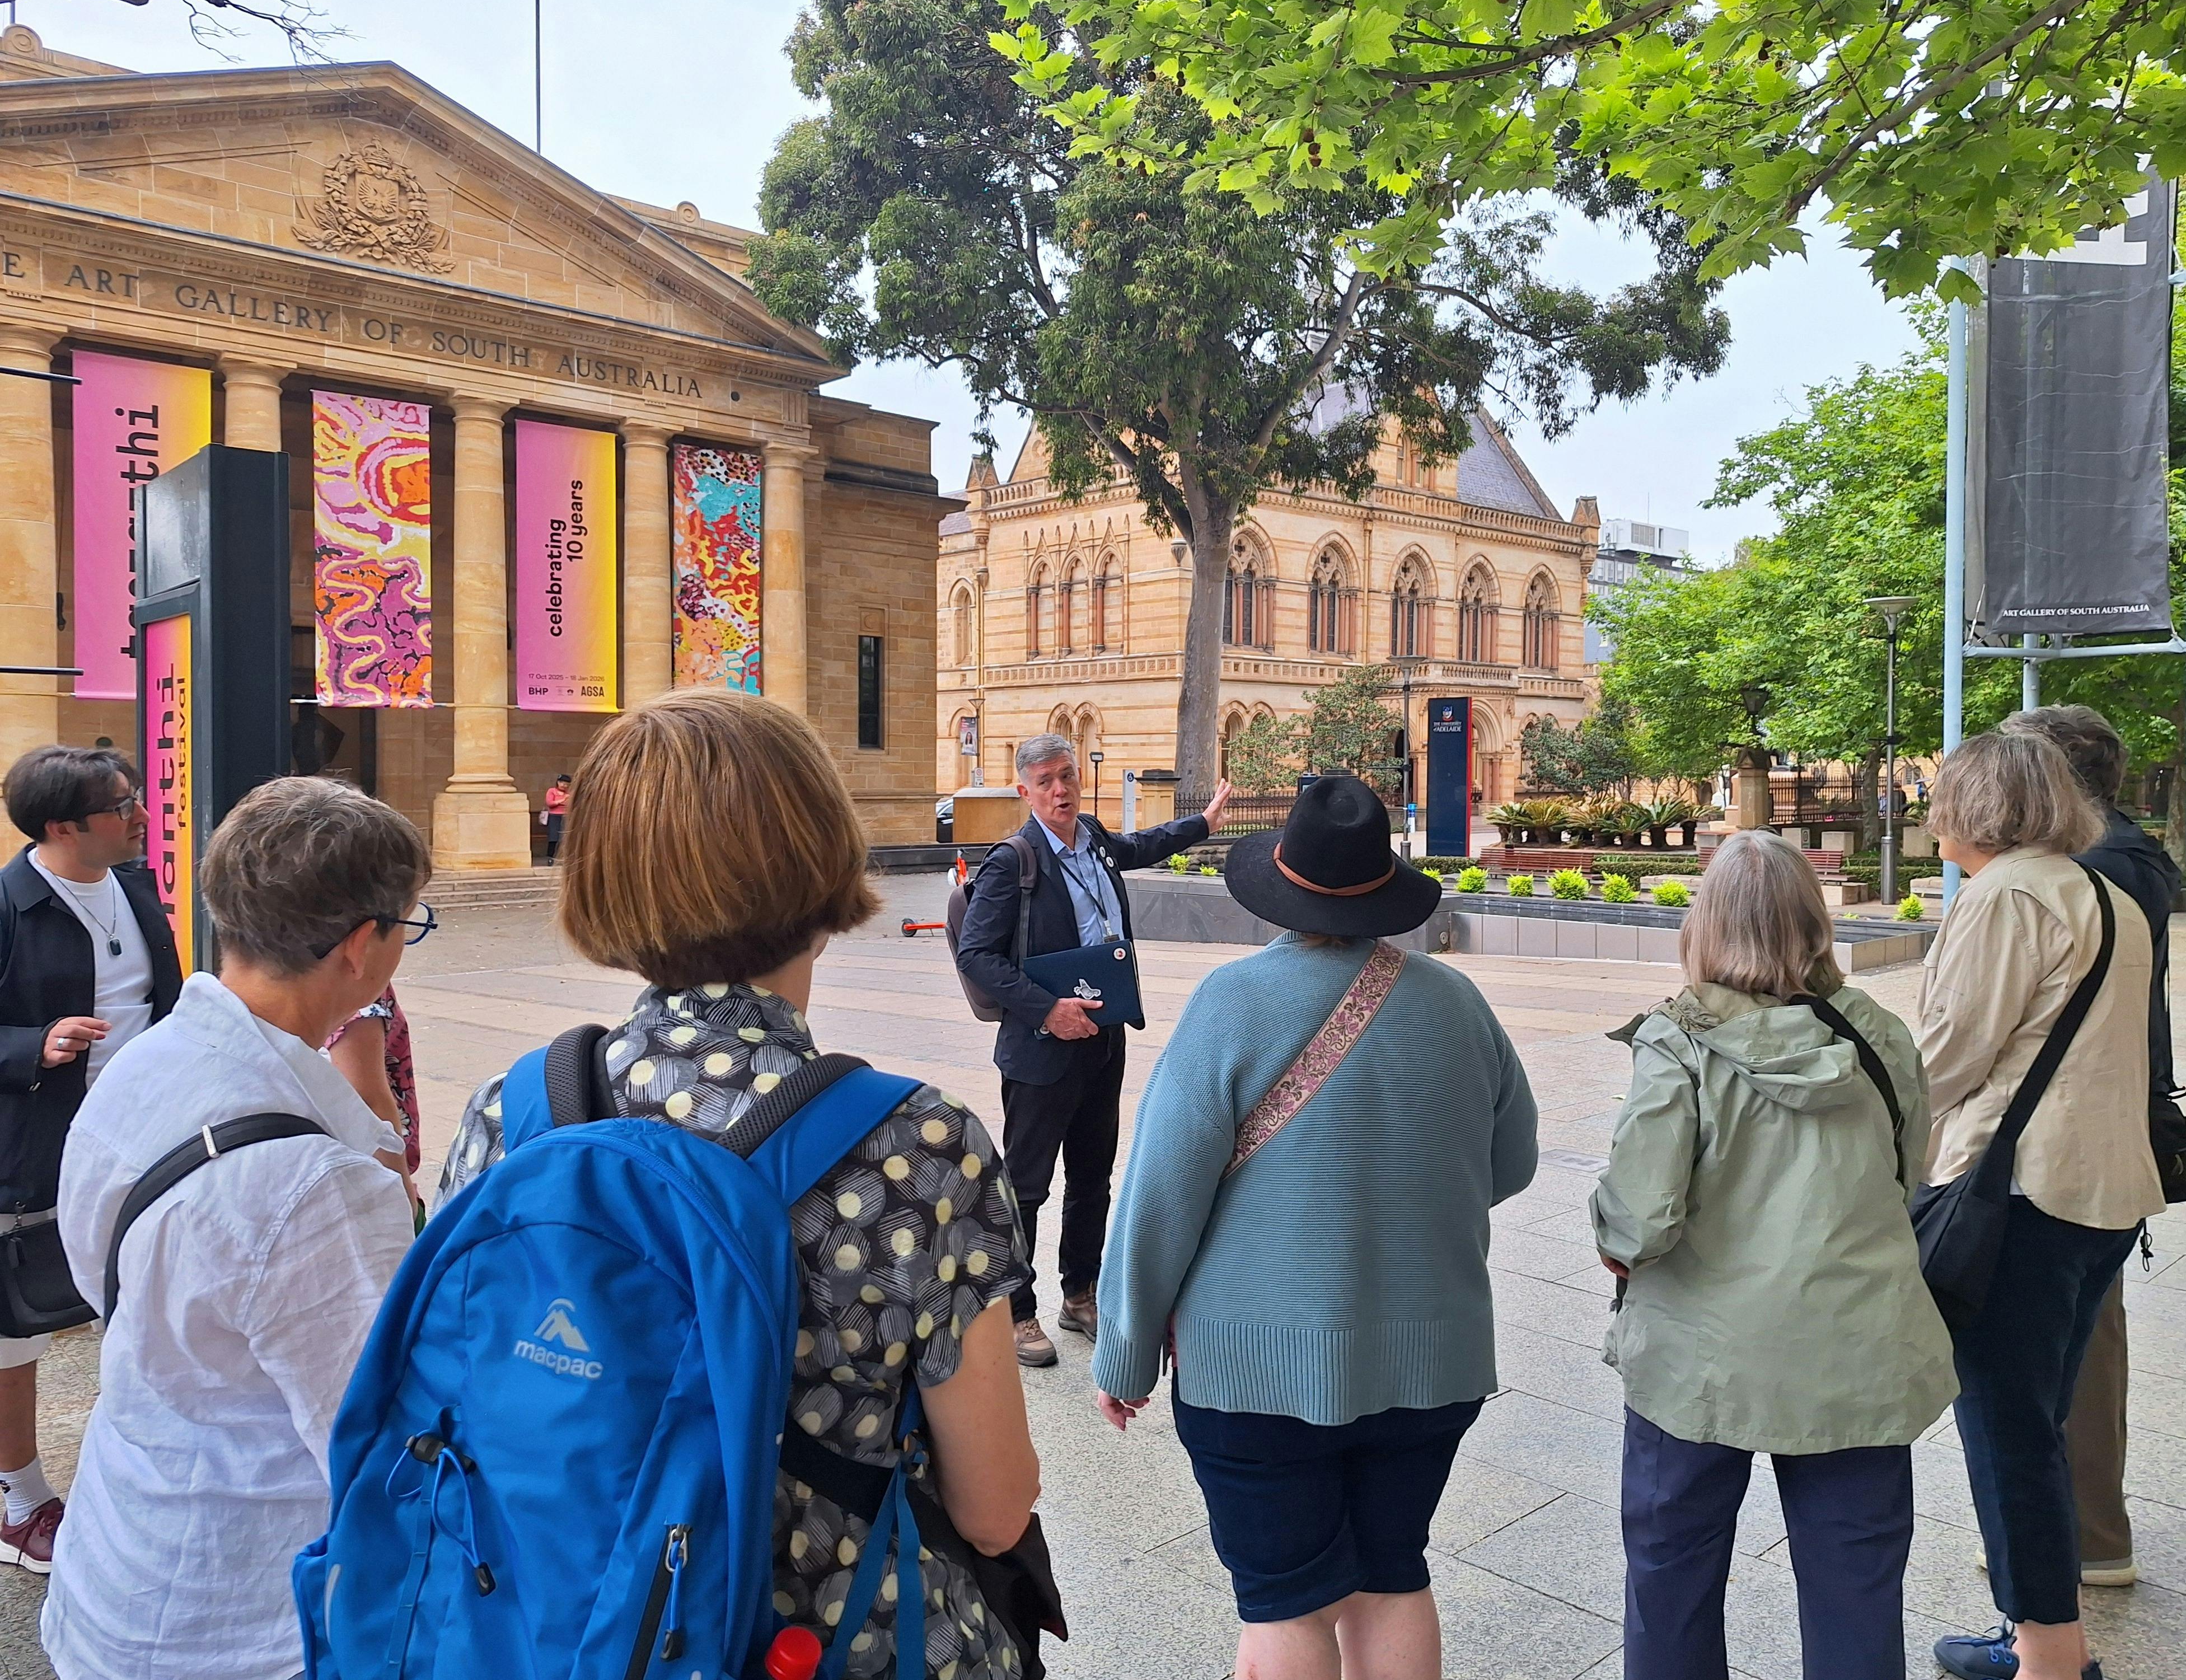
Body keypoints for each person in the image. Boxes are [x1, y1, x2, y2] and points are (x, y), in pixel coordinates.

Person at [438, 690, 1042, 1678]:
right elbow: (993, 1507)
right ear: (821, 863)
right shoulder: (917, 1143)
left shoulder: (511, 1116)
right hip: (848, 1643)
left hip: (578, 1635)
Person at [1090, 775, 1538, 1680]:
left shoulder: (1233, 1004)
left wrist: (1124, 1352)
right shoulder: (1458, 1006)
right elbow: (1513, 1162)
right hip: (1430, 1361)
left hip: (1257, 1372)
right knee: (1391, 1578)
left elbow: (1159, 1199)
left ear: (1279, 888)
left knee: (1285, 1599)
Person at [41, 777, 427, 1679]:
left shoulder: (144, 1066)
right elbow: (380, 1446)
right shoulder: (318, 1184)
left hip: (121, 1546)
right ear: (363, 946)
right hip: (240, 1610)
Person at [1591, 831, 1955, 1680]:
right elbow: (1911, 1173)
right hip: (1857, 1346)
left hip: (1699, 1359)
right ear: (1812, 922)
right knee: (1857, 1586)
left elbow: (1641, 1223)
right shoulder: (1875, 1033)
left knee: (1671, 1575)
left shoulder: (1676, 1043)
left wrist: (1611, 1236)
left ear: (1706, 926)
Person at [1918, 731, 2161, 1680]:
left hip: (2025, 1195)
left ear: (1977, 806)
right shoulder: (2102, 892)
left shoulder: (2008, 895)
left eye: (1944, 794)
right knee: (2042, 1425)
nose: (1932, 810)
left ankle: (2051, 1659)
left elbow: (1947, 1056)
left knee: (2008, 1433)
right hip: (2106, 1193)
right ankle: (2037, 1636)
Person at [955, 732, 1229, 1368]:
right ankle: (1017, 1314)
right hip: (1042, 1049)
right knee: (1026, 1185)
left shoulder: (1097, 841)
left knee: (1092, 1179)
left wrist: (1203, 823)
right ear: (1025, 790)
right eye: (1047, 781)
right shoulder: (1013, 861)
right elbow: (976, 954)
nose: (1061, 790)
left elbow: (1144, 846)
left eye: (1068, 777)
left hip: (1102, 1043)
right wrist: (1048, 1010)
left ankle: (1079, 1295)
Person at [2005, 706, 2179, 1591]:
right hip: (2108, 1123)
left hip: (2072, 1139)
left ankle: (2083, 1538)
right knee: (2082, 1331)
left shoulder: (2088, 868)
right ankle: (2086, 1529)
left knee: (2068, 1342)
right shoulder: (2134, 854)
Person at [0, 745, 181, 1574]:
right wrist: (39, 1044)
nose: (141, 813)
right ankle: (20, 1499)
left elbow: (165, 1001)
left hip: (142, 1134)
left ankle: (129, 1479)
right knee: (14, 1332)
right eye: (121, 803)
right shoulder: (9, 906)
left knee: (136, 1302)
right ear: (62, 826)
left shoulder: (137, 888)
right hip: (38, 1146)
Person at [327, 982, 424, 1215]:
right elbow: (367, 1103)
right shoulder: (359, 982)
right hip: (365, 1184)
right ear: (361, 945)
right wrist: (403, 1200)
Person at [542, 773, 570, 864]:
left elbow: (571, 804)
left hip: (566, 816)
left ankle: (564, 857)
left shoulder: (569, 794)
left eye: (567, 784)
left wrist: (559, 802)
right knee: (553, 837)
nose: (564, 786)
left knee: (565, 837)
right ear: (558, 782)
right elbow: (550, 803)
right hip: (554, 816)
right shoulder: (552, 791)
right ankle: (551, 857)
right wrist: (562, 801)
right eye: (563, 783)